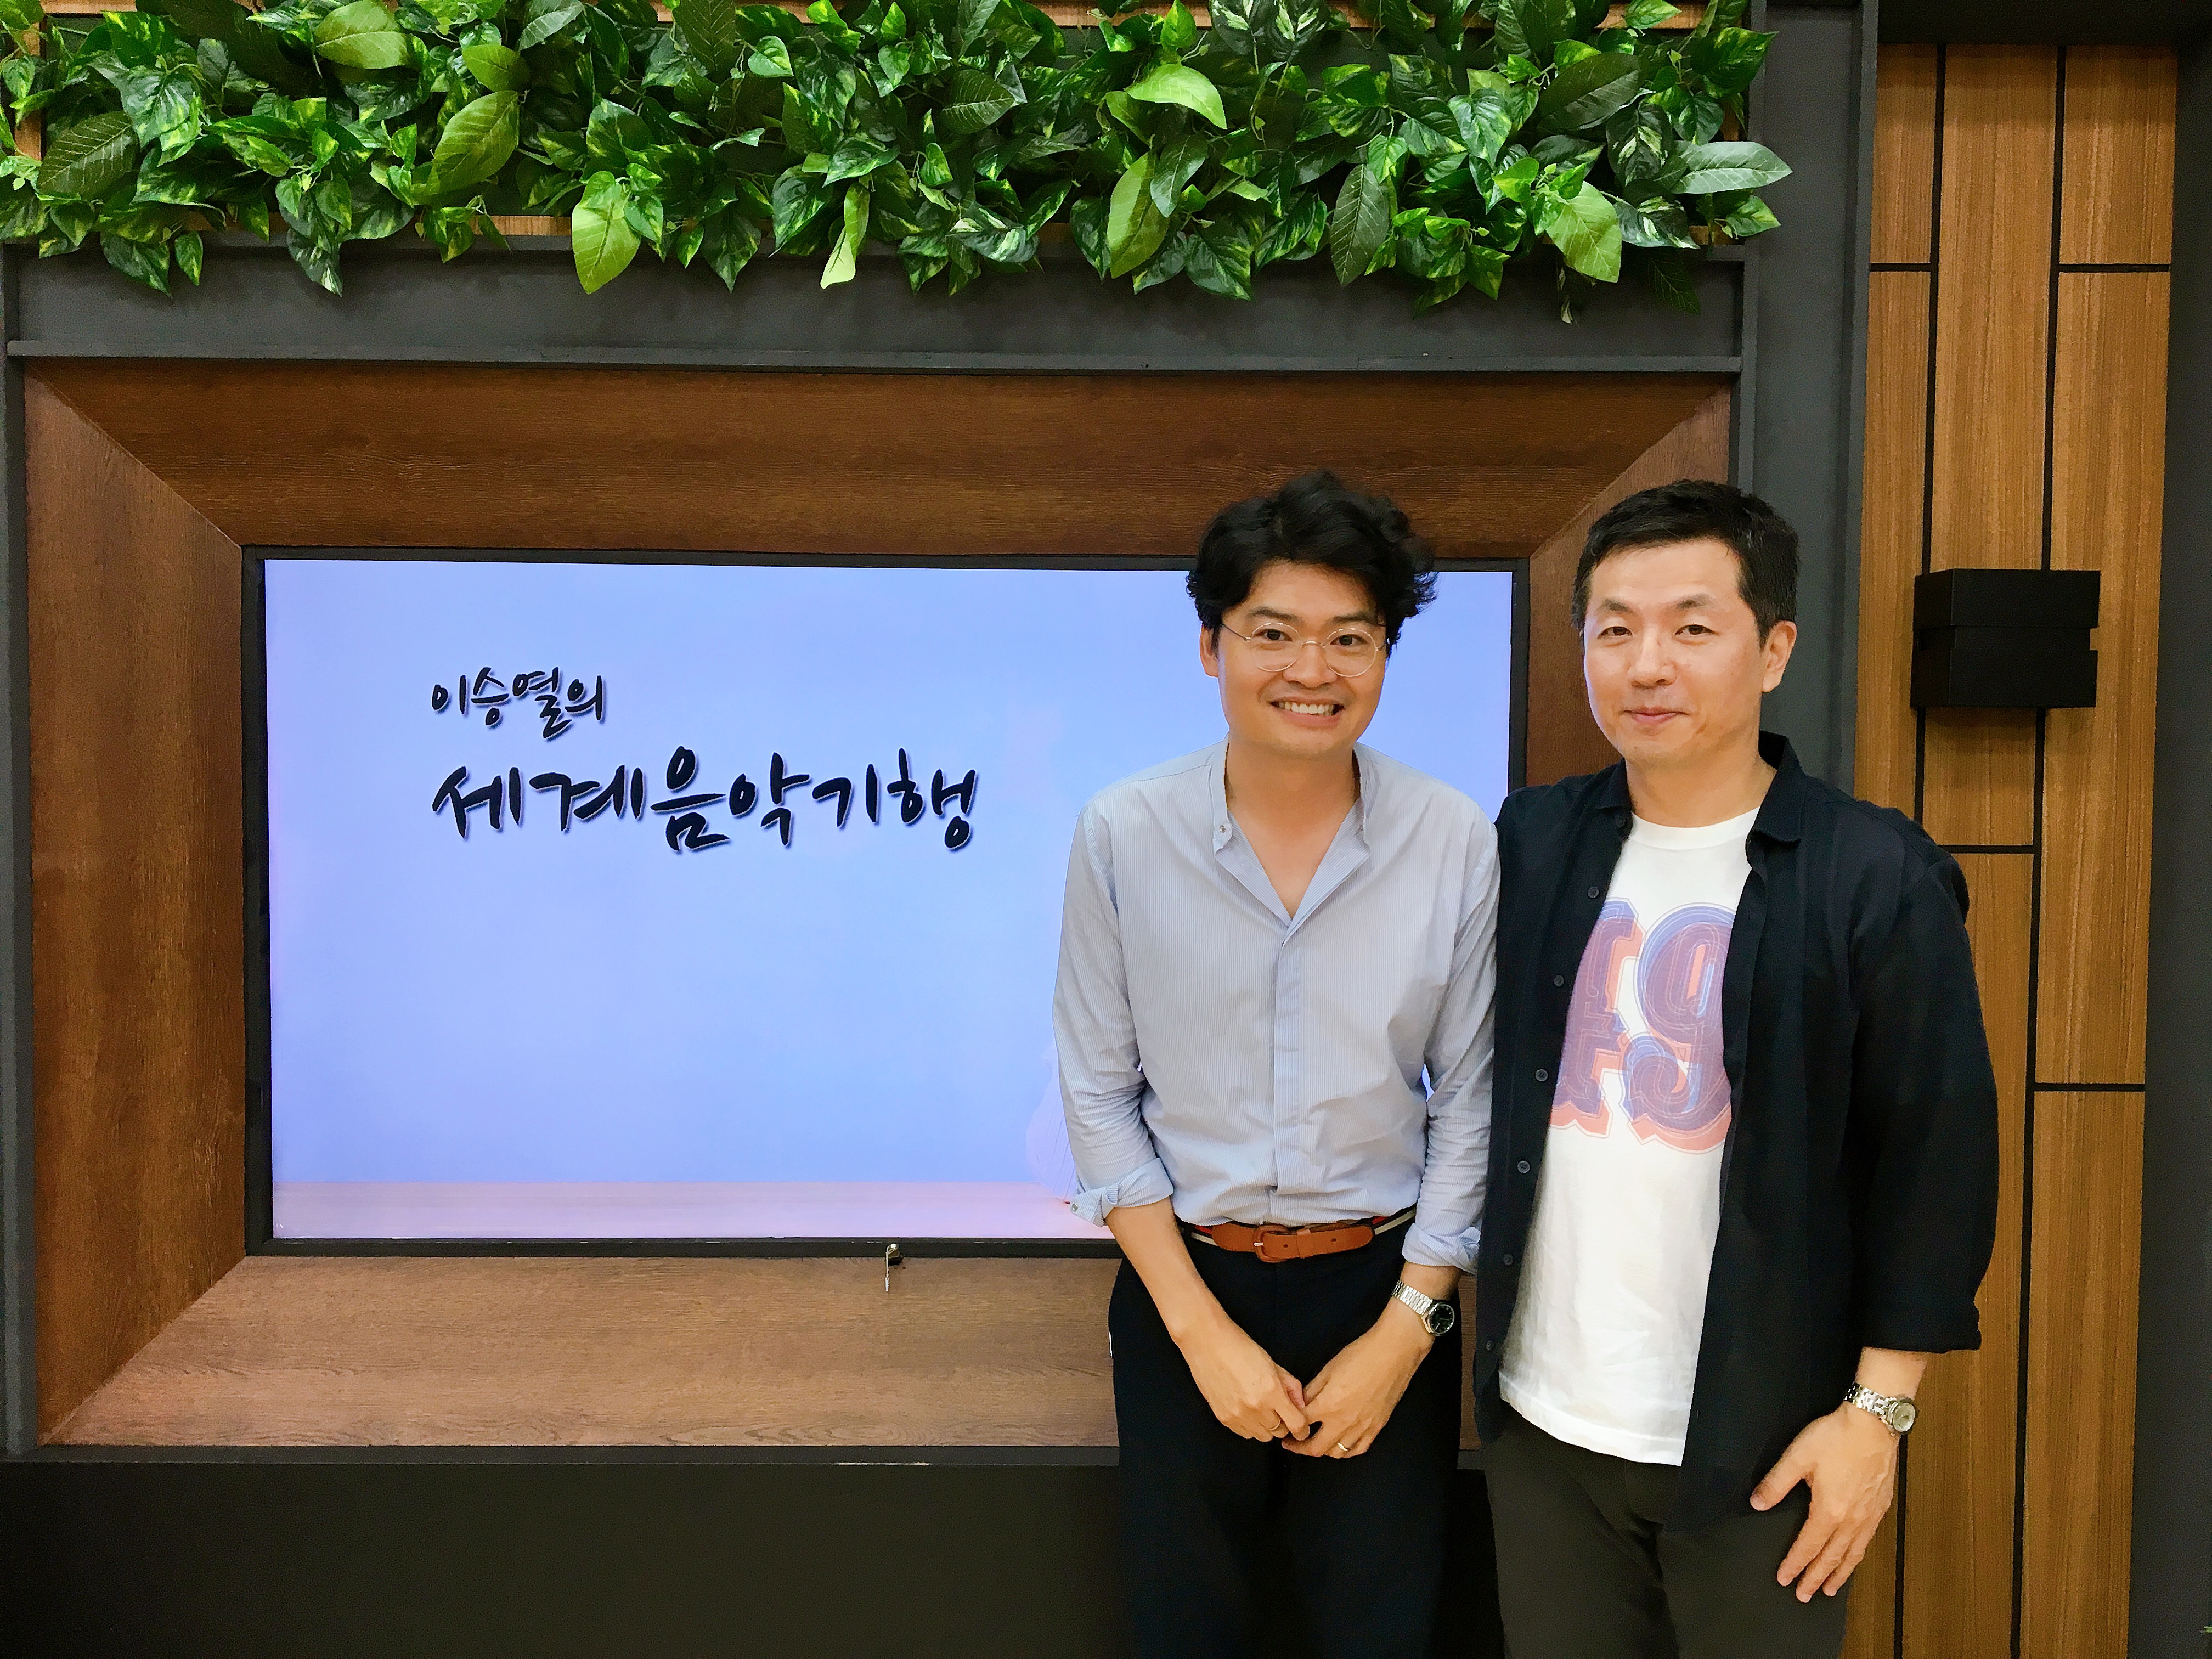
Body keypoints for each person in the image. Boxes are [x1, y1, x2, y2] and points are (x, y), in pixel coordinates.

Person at [1472, 479, 2000, 1658]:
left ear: (1774, 651)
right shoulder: (1533, 841)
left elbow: (1938, 1161)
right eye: (1615, 628)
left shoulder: (1874, 874)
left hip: (1765, 1440)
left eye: (1693, 627)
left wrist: (1877, 1414)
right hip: (1545, 1425)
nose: (1647, 664)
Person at [1053, 470, 1498, 1658]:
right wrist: (1201, 1336)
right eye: (1274, 634)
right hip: (1187, 1284)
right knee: (1188, 1628)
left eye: (1350, 637)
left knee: (1382, 1631)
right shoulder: (1124, 832)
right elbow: (1097, 1093)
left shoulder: (1452, 836)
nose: (1314, 669)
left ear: (1387, 653)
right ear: (1212, 647)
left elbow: (1473, 1098)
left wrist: (1406, 1333)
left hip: (1384, 1286)